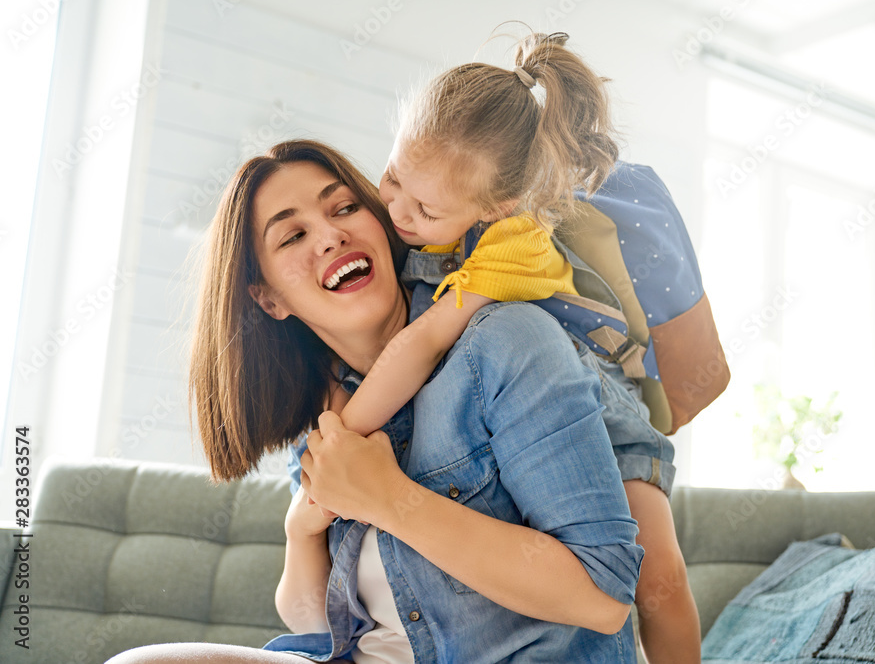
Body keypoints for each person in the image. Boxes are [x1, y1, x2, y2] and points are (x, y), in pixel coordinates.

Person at [107, 139, 645, 664]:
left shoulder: (506, 341)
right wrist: (302, 528)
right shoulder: (327, 411)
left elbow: (602, 597)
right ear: (268, 299)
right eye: (293, 236)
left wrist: (388, 500)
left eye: (344, 207)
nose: (331, 235)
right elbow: (313, 623)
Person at [337, 32, 701, 663]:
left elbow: (423, 344)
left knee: (659, 578)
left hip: (602, 403)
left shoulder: (513, 245)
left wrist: (341, 443)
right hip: (538, 400)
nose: (394, 206)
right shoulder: (437, 227)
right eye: (392, 175)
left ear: (497, 207)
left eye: (423, 206)